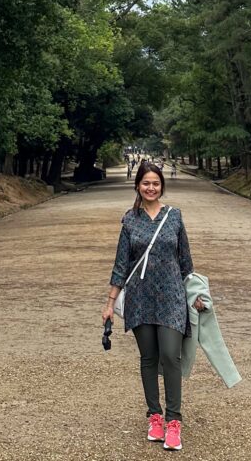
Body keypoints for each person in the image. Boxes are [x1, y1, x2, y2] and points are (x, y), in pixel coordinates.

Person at [103, 162, 204, 452]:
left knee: (171, 356)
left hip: (172, 296)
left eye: (155, 183)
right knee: (149, 358)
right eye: (146, 183)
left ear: (162, 186)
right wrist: (110, 303)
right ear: (138, 185)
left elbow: (186, 261)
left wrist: (196, 294)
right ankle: (155, 416)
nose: (151, 188)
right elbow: (121, 265)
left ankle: (174, 421)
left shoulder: (174, 217)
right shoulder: (130, 220)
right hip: (140, 298)